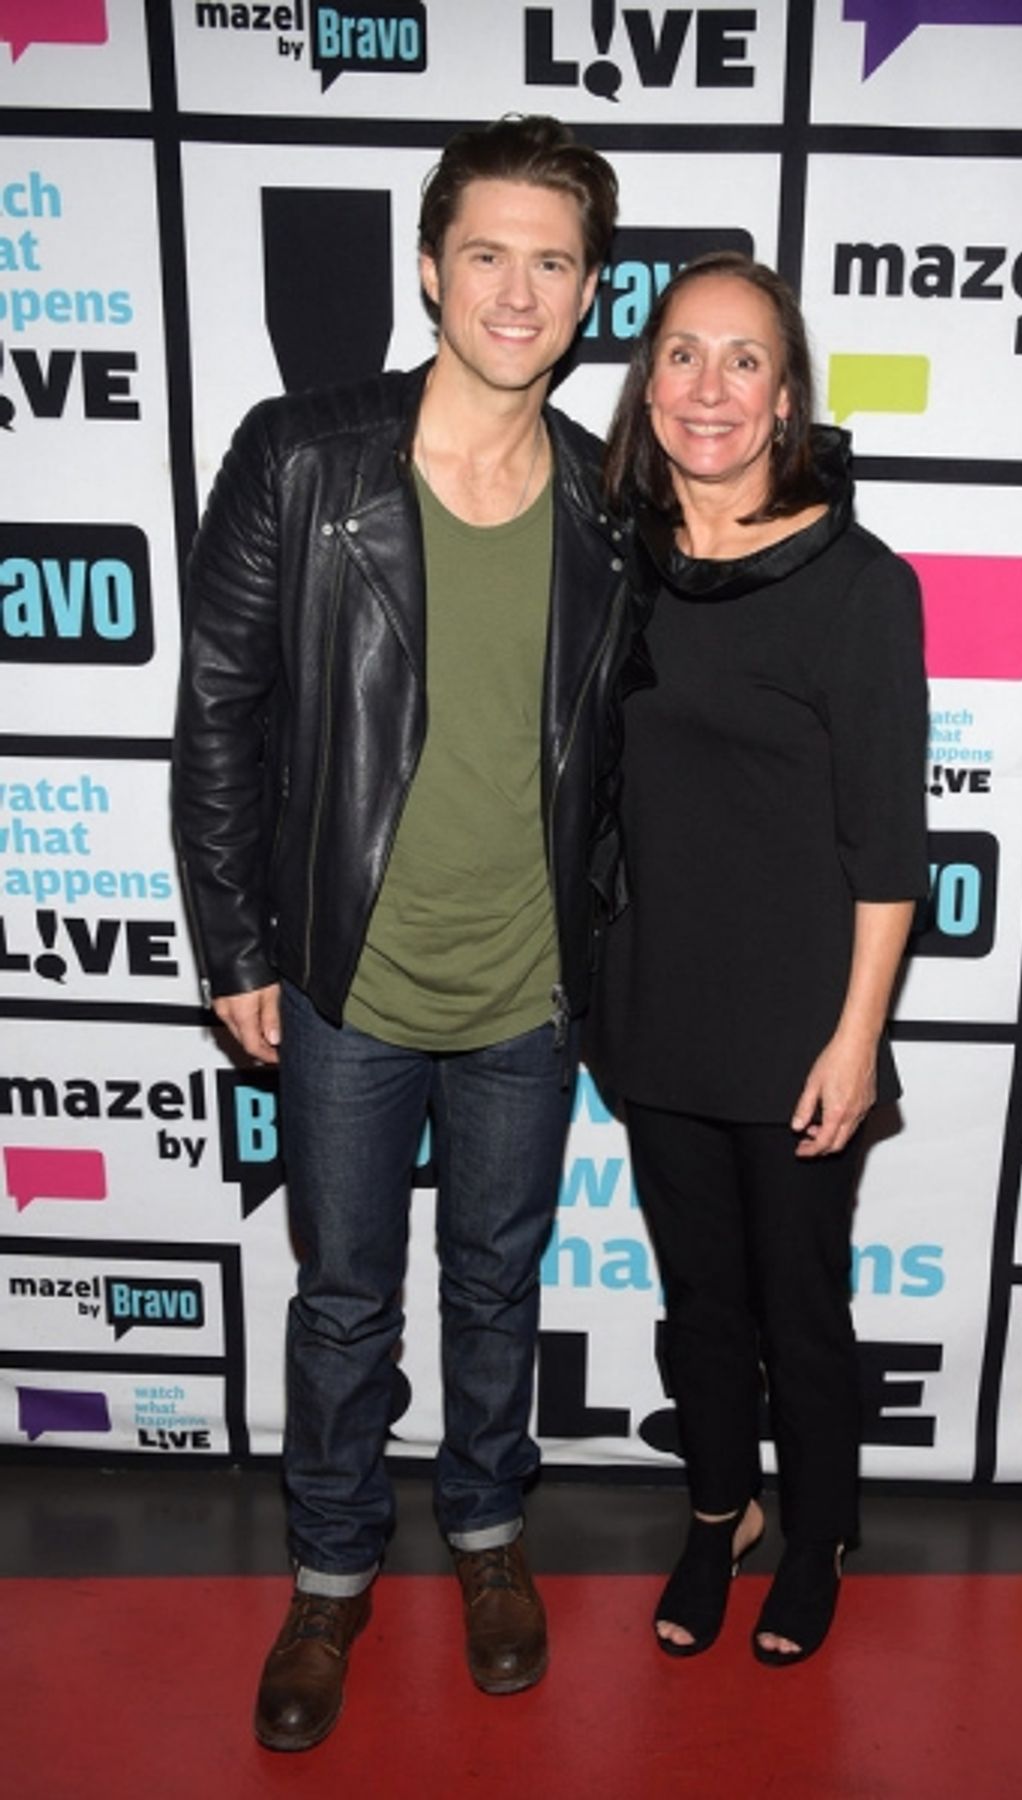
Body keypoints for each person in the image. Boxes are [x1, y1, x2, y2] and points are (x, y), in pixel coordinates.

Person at [172, 116, 626, 1749]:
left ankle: (492, 1543)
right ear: (431, 269)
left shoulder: (603, 496)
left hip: (527, 990)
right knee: (347, 1296)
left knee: (497, 1284)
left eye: (554, 260)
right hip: (346, 972)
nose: (519, 288)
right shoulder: (303, 452)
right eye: (488, 252)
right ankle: (330, 1577)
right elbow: (219, 705)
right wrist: (233, 944)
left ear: (589, 293)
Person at [588, 252, 927, 1667]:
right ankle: (716, 1505)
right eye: (681, 354)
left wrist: (855, 1040)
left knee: (802, 1301)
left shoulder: (860, 584)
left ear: (787, 396)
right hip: (654, 1005)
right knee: (700, 1298)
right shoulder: (613, 563)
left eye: (743, 360)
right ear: (646, 378)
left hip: (801, 1026)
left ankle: (820, 1528)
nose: (708, 388)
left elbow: (889, 842)